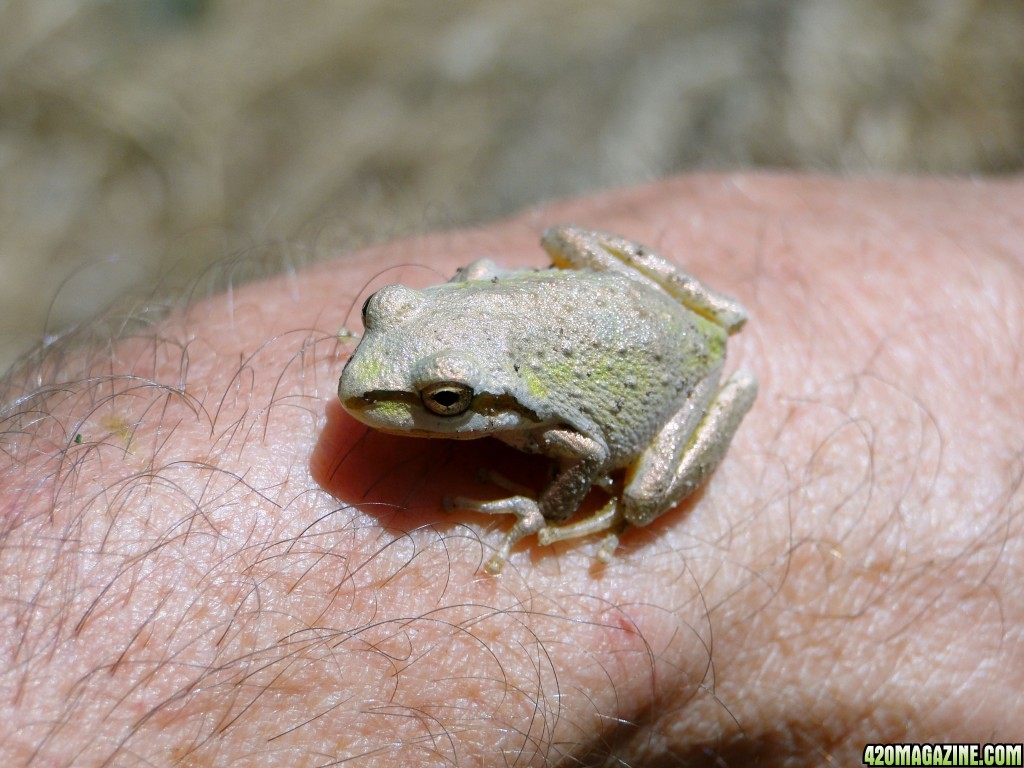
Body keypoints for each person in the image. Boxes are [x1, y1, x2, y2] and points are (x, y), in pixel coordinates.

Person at [1, 174, 1020, 765]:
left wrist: (553, 507)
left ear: (475, 405)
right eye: (380, 317)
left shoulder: (534, 423)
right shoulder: (426, 335)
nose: (370, 393)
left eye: (437, 402)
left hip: (662, 383)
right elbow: (476, 288)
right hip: (617, 312)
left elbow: (579, 449)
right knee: (543, 256)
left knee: (638, 497)